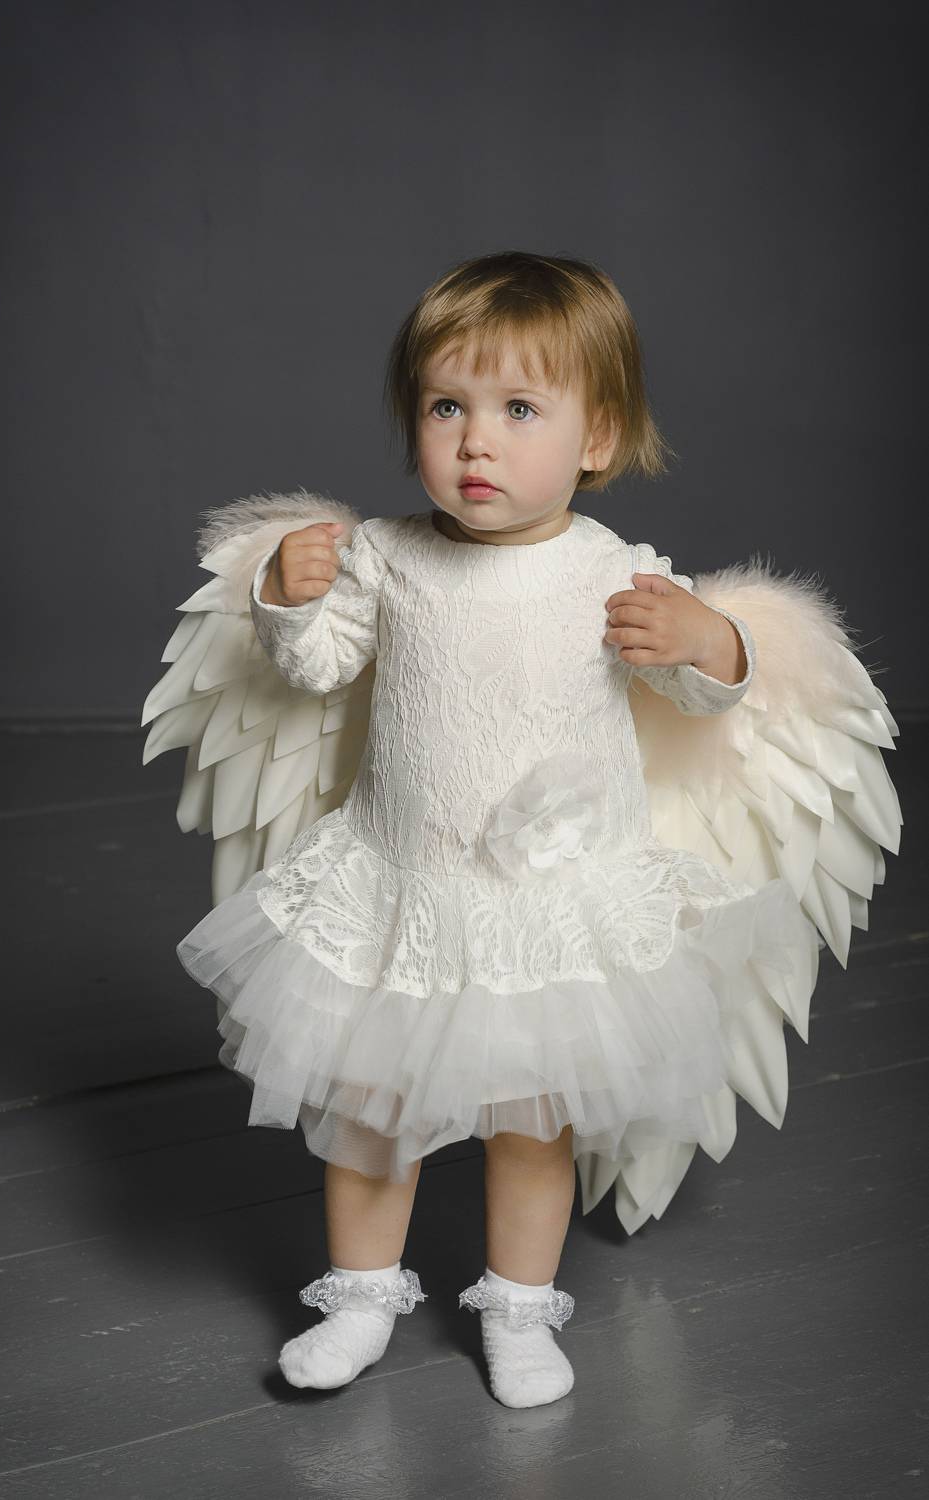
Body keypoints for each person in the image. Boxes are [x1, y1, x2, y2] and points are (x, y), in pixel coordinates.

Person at [165, 251, 892, 1408]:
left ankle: (516, 1308)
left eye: (517, 411)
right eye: (445, 407)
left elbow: (702, 696)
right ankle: (358, 1300)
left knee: (532, 1123)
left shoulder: (614, 571)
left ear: (597, 438)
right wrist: (288, 601)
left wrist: (708, 640)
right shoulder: (387, 557)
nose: (475, 443)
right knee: (370, 1110)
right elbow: (317, 668)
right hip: (403, 886)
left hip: (547, 907)